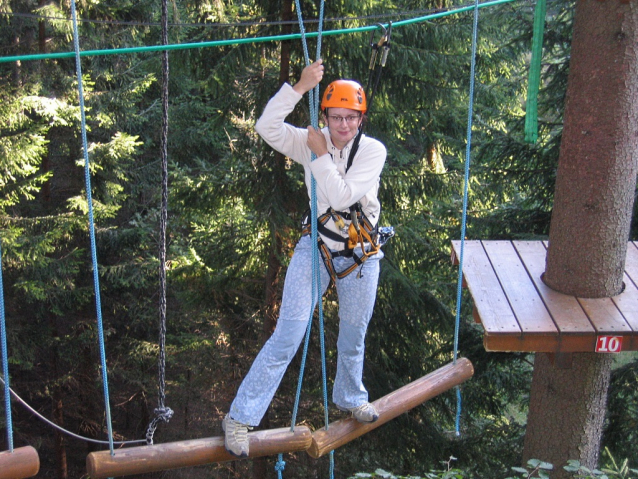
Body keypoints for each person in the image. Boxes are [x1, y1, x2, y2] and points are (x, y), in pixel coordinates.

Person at [222, 59, 387, 458]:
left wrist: (318, 156)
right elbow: (266, 127)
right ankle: (239, 418)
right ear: (326, 116)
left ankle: (351, 396)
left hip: (359, 254)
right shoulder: (312, 139)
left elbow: (343, 197)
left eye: (351, 118)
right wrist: (298, 88)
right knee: (287, 336)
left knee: (353, 333)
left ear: (361, 119)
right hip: (316, 247)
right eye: (335, 117)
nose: (343, 126)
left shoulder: (373, 151)